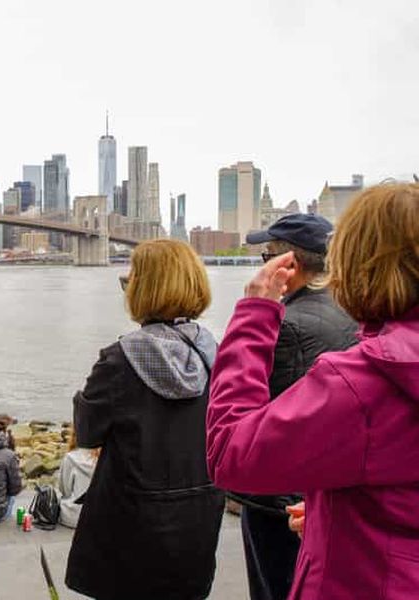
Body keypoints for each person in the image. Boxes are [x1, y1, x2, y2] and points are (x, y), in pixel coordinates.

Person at [207, 183, 419, 599]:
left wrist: (254, 313)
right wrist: (334, 510)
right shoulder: (383, 356)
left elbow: (229, 450)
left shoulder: (363, 381)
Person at [65, 239, 225, 600]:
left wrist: (83, 398)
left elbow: (88, 433)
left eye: (130, 281)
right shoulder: (216, 353)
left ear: (145, 289)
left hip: (131, 520)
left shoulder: (120, 360)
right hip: (198, 516)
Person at [236, 214, 357, 600]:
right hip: (326, 493)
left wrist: (252, 312)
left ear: (287, 265)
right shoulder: (349, 311)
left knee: (274, 587)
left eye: (266, 256)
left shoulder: (284, 324)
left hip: (281, 504)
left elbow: (256, 419)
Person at [57, 431, 98, 529]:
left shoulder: (71, 458)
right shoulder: (107, 458)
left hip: (73, 518)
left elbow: (65, 490)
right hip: (100, 517)